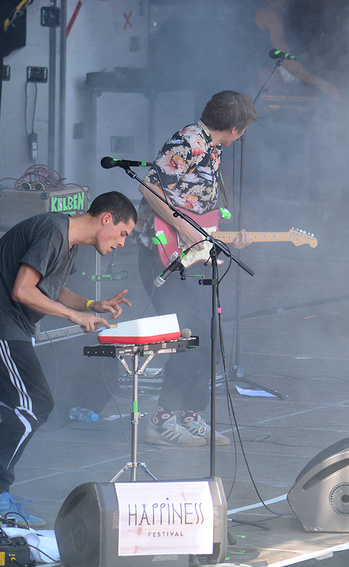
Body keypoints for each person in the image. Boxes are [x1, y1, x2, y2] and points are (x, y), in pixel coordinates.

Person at [0, 191, 137, 526]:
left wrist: (90, 306)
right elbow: (23, 290)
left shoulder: (67, 242)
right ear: (107, 219)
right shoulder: (54, 231)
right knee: (36, 402)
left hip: (8, 323)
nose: (123, 243)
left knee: (26, 403)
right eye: (124, 233)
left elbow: (51, 288)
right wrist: (74, 317)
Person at [136, 90, 256, 447]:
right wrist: (186, 229)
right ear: (236, 129)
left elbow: (198, 207)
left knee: (210, 338)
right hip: (164, 256)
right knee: (191, 338)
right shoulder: (189, 141)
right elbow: (149, 187)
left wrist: (226, 236)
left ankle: (189, 415)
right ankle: (161, 420)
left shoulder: (212, 148)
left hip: (193, 257)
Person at [253, 0, 339, 100]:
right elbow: (287, 61)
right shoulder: (271, 16)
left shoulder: (261, 11)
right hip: (255, 87)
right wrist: (322, 84)